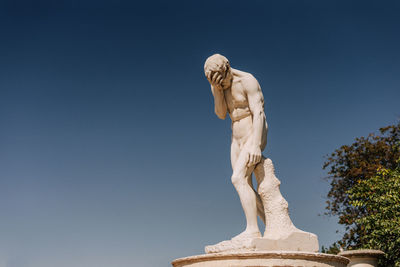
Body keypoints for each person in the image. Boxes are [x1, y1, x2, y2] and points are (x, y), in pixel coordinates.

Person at [204, 54, 268, 240]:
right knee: (243, 184)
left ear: (227, 68)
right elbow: (221, 114)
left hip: (253, 131)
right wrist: (217, 90)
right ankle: (271, 223)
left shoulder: (248, 81)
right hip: (236, 136)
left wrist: (256, 144)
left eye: (222, 80)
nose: (222, 84)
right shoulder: (217, 85)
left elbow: (259, 113)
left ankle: (253, 230)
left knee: (237, 178)